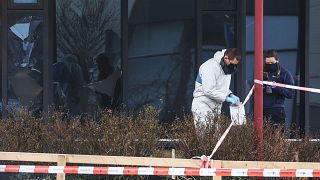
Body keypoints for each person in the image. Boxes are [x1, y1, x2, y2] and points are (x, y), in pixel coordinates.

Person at [191, 48, 242, 128]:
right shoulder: (209, 67)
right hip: (202, 104)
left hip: (215, 106)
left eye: (235, 65)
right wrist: (226, 98)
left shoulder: (227, 69)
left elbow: (219, 87)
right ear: (225, 58)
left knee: (215, 138)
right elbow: (208, 90)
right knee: (205, 136)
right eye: (232, 64)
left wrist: (230, 94)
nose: (233, 67)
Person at [263, 49, 294, 127]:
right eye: (267, 63)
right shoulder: (261, 72)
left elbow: (290, 94)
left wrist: (275, 86)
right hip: (261, 109)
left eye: (272, 63)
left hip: (276, 110)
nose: (270, 65)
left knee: (277, 137)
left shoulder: (285, 73)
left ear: (277, 60)